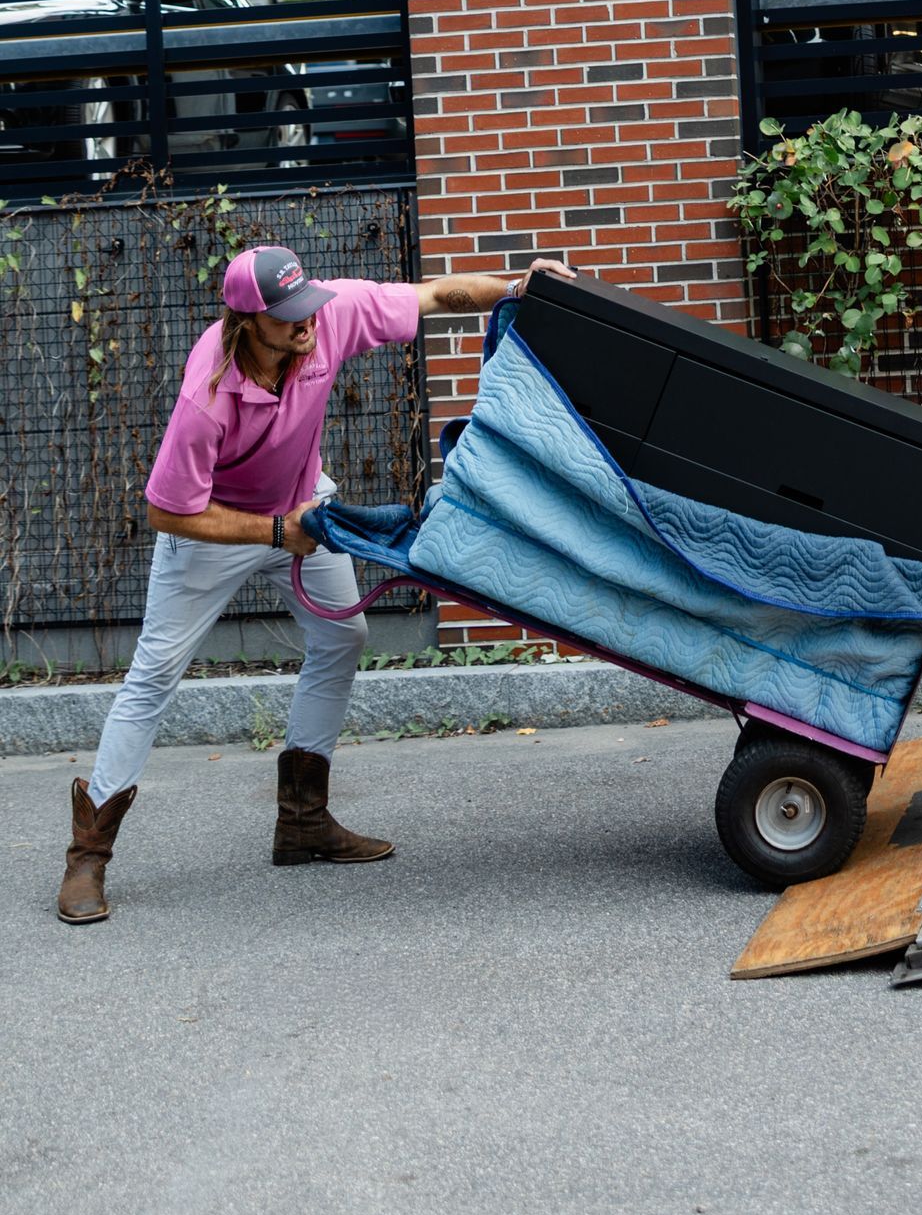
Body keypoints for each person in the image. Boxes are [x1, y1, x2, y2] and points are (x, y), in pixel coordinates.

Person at [56, 243, 567, 925]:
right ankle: (87, 858)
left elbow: (439, 296)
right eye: (289, 315)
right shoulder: (207, 393)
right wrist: (272, 533)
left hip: (301, 506)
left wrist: (517, 287)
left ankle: (303, 821)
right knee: (154, 672)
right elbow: (168, 508)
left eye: (308, 307)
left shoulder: (330, 318)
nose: (307, 324)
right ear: (248, 322)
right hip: (214, 529)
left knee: (342, 635)